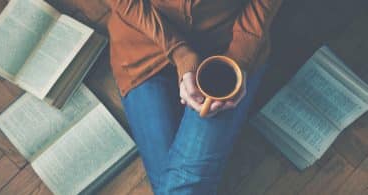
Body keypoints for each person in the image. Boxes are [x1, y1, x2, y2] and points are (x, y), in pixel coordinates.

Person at [107, 0, 282, 194]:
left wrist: (239, 57)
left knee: (183, 184)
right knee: (183, 184)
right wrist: (179, 52)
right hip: (143, 41)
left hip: (225, 47)